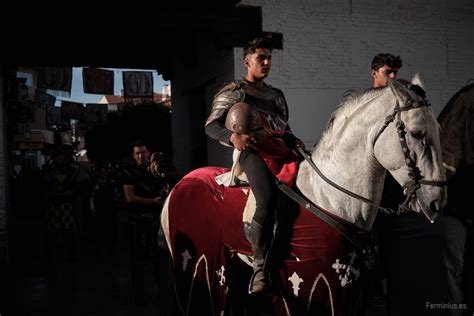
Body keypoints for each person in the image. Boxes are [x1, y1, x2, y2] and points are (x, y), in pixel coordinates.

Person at [205, 36, 304, 295]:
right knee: (268, 198)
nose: (267, 62)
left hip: (281, 152)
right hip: (252, 152)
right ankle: (260, 266)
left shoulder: (276, 96)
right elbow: (211, 125)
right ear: (247, 61)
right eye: (261, 57)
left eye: (269, 57)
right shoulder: (234, 91)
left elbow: (284, 129)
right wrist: (233, 137)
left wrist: (294, 140)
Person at [118, 140, 166, 305]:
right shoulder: (128, 173)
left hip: (156, 222)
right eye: (137, 153)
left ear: (148, 153)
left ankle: (162, 295)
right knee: (138, 262)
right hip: (137, 223)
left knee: (159, 261)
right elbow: (130, 198)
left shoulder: (155, 171)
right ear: (133, 155)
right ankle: (139, 298)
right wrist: (153, 201)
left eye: (143, 152)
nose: (140, 156)